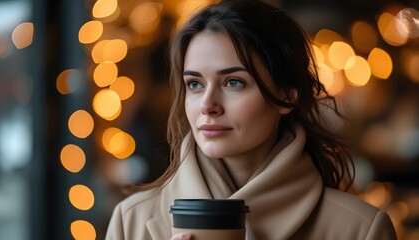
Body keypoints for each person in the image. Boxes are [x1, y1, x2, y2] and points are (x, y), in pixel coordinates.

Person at [105, 0, 397, 239]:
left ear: (288, 95)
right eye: (195, 84)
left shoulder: (360, 229)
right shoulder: (131, 222)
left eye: (233, 82)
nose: (208, 105)